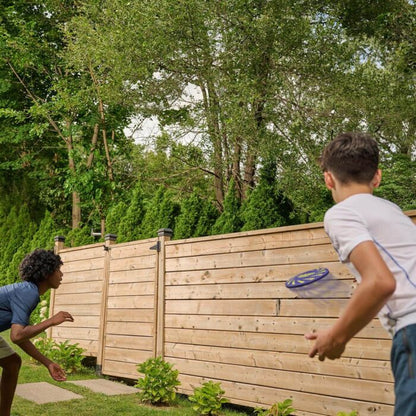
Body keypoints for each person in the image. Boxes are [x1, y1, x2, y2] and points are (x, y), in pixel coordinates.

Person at [304, 132, 416, 415]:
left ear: (328, 179)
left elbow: (381, 282)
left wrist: (335, 337)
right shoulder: (393, 213)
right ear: (376, 177)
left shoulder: (341, 214)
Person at [0, 249, 74, 416]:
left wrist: (48, 363)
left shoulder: (27, 291)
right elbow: (17, 335)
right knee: (12, 363)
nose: (61, 275)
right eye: (58, 269)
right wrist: (51, 321)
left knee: (12, 363)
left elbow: (20, 336)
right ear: (47, 272)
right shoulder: (28, 292)